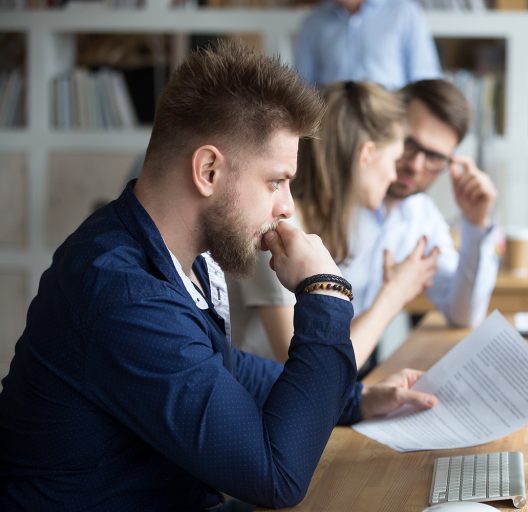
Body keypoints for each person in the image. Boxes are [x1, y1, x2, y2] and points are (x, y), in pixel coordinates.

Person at [0, 40, 436, 510]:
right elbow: (276, 477)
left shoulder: (181, 252)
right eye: (275, 180)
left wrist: (356, 400)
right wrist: (324, 293)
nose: (287, 206)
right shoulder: (124, 294)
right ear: (208, 169)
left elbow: (226, 369)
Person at [232, 80, 439, 367]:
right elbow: (309, 370)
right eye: (393, 160)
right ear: (366, 155)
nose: (394, 176)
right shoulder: (278, 231)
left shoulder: (327, 228)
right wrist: (393, 297)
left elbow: (329, 349)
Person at [342, 79, 500, 333]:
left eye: (435, 157)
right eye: (410, 144)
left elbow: (463, 315)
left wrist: (474, 223)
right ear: (389, 129)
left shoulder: (421, 215)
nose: (416, 165)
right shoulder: (334, 199)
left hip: (349, 365)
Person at [294, 0, 442, 90]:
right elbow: (304, 86)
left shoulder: (405, 13)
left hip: (389, 127)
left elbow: (424, 81)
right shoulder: (313, 22)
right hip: (333, 127)